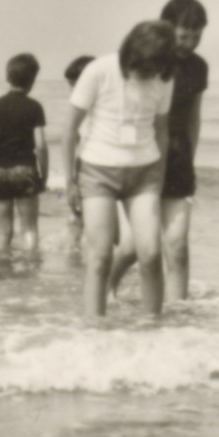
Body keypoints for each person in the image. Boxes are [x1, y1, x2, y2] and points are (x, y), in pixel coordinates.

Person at [62, 22, 176, 318]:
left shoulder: (165, 78)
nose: (148, 75)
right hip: (98, 171)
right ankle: (95, 330)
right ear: (132, 54)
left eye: (155, 69)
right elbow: (69, 129)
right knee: (100, 256)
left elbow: (162, 130)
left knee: (150, 253)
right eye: (144, 69)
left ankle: (153, 328)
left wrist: (161, 176)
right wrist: (69, 182)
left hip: (145, 173)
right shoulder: (98, 70)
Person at [112, 0, 209, 301]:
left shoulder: (198, 67)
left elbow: (193, 116)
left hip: (178, 156)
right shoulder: (148, 60)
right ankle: (106, 287)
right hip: (141, 156)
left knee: (177, 245)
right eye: (184, 36)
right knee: (134, 246)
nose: (190, 44)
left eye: (197, 37)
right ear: (167, 28)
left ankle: (178, 314)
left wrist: (190, 158)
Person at [0, 53, 47, 256]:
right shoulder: (34, 107)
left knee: (3, 231)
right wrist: (43, 176)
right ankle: (31, 269)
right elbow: (41, 146)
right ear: (32, 80)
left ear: (8, 77)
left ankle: (1, 267)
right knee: (29, 228)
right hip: (24, 169)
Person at [62, 56, 95, 254]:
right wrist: (71, 179)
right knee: (77, 217)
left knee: (79, 219)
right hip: (83, 165)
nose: (72, 91)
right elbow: (73, 139)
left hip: (91, 166)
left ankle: (73, 256)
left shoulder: (91, 106)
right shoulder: (81, 106)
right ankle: (73, 258)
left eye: (74, 85)